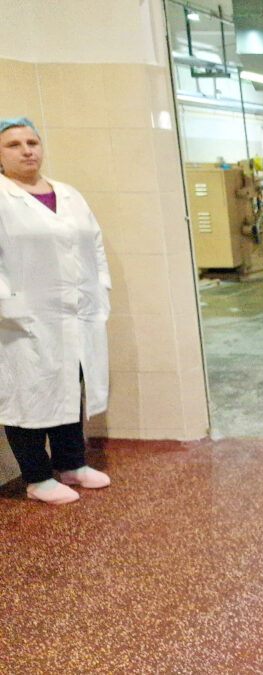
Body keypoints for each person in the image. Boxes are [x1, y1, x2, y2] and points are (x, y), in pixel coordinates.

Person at [0, 117, 112, 505]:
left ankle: (71, 464)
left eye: (32, 142)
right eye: (13, 144)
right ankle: (36, 477)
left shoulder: (68, 194)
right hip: (22, 319)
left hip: (75, 313)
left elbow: (95, 244)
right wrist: (8, 302)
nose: (26, 150)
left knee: (69, 385)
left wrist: (101, 285)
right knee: (27, 394)